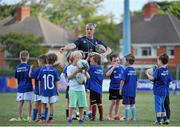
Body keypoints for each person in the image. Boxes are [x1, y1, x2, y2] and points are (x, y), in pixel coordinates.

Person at [145, 54, 173, 125]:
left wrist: (147, 74)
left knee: (158, 105)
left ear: (160, 61)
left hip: (158, 91)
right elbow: (170, 80)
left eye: (158, 60)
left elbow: (152, 78)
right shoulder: (167, 70)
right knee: (162, 105)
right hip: (165, 91)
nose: (157, 61)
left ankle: (158, 120)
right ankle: (165, 119)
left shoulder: (158, 70)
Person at [66, 51, 90, 124]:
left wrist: (85, 71)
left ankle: (81, 119)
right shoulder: (69, 67)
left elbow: (88, 77)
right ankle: (70, 118)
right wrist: (76, 71)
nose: (79, 59)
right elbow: (69, 78)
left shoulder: (82, 66)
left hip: (81, 89)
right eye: (78, 58)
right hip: (73, 89)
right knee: (72, 105)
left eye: (80, 58)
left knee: (81, 105)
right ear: (73, 58)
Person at [37, 53, 60, 123]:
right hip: (52, 91)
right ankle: (50, 118)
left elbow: (39, 80)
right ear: (55, 61)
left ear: (47, 60)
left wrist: (39, 89)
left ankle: (43, 118)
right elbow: (56, 81)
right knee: (52, 104)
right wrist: (57, 90)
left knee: (43, 104)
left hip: (44, 90)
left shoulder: (42, 69)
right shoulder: (55, 70)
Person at [15, 50, 33, 122]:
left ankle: (19, 117)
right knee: (29, 102)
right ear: (28, 57)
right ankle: (29, 116)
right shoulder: (28, 67)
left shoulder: (17, 67)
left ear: (20, 57)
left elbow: (16, 76)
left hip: (20, 87)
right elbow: (30, 76)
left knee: (20, 102)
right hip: (28, 86)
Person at [106, 54, 124, 120]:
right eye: (114, 61)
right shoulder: (111, 68)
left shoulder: (122, 68)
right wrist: (113, 67)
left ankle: (116, 115)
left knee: (118, 102)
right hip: (113, 88)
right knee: (113, 102)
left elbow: (124, 78)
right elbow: (107, 74)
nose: (116, 62)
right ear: (111, 62)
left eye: (117, 60)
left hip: (119, 88)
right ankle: (109, 115)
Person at [86, 53, 104, 121]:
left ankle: (93, 117)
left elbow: (84, 65)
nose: (90, 62)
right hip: (99, 89)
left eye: (91, 61)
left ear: (95, 61)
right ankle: (101, 117)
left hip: (93, 88)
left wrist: (87, 57)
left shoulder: (92, 68)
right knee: (99, 103)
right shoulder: (101, 69)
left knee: (93, 103)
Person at [30, 55, 48, 122]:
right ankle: (44, 118)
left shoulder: (37, 70)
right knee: (45, 104)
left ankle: (34, 118)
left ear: (40, 62)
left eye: (38, 61)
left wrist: (31, 69)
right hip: (46, 91)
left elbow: (31, 76)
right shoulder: (48, 69)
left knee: (36, 104)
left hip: (38, 91)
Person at [120, 54, 137, 121]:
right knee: (133, 104)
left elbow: (122, 81)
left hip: (126, 91)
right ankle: (134, 118)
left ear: (127, 61)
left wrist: (120, 89)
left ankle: (126, 118)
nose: (124, 62)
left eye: (124, 60)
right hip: (133, 91)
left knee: (127, 105)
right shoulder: (134, 70)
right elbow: (136, 82)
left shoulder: (126, 70)